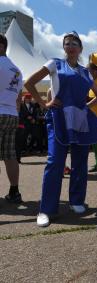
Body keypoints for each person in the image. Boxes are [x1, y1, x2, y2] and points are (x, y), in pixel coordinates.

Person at [24, 31, 97, 227]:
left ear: (80, 48)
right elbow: (29, 83)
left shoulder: (86, 72)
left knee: (80, 162)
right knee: (55, 162)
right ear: (64, 47)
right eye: (67, 43)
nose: (70, 46)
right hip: (58, 117)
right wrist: (44, 104)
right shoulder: (54, 63)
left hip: (80, 120)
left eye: (74, 43)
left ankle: (76, 200)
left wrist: (87, 107)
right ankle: (46, 209)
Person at [0, 33, 24, 204]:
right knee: (10, 155)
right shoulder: (17, 69)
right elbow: (19, 98)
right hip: (12, 114)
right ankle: (14, 191)